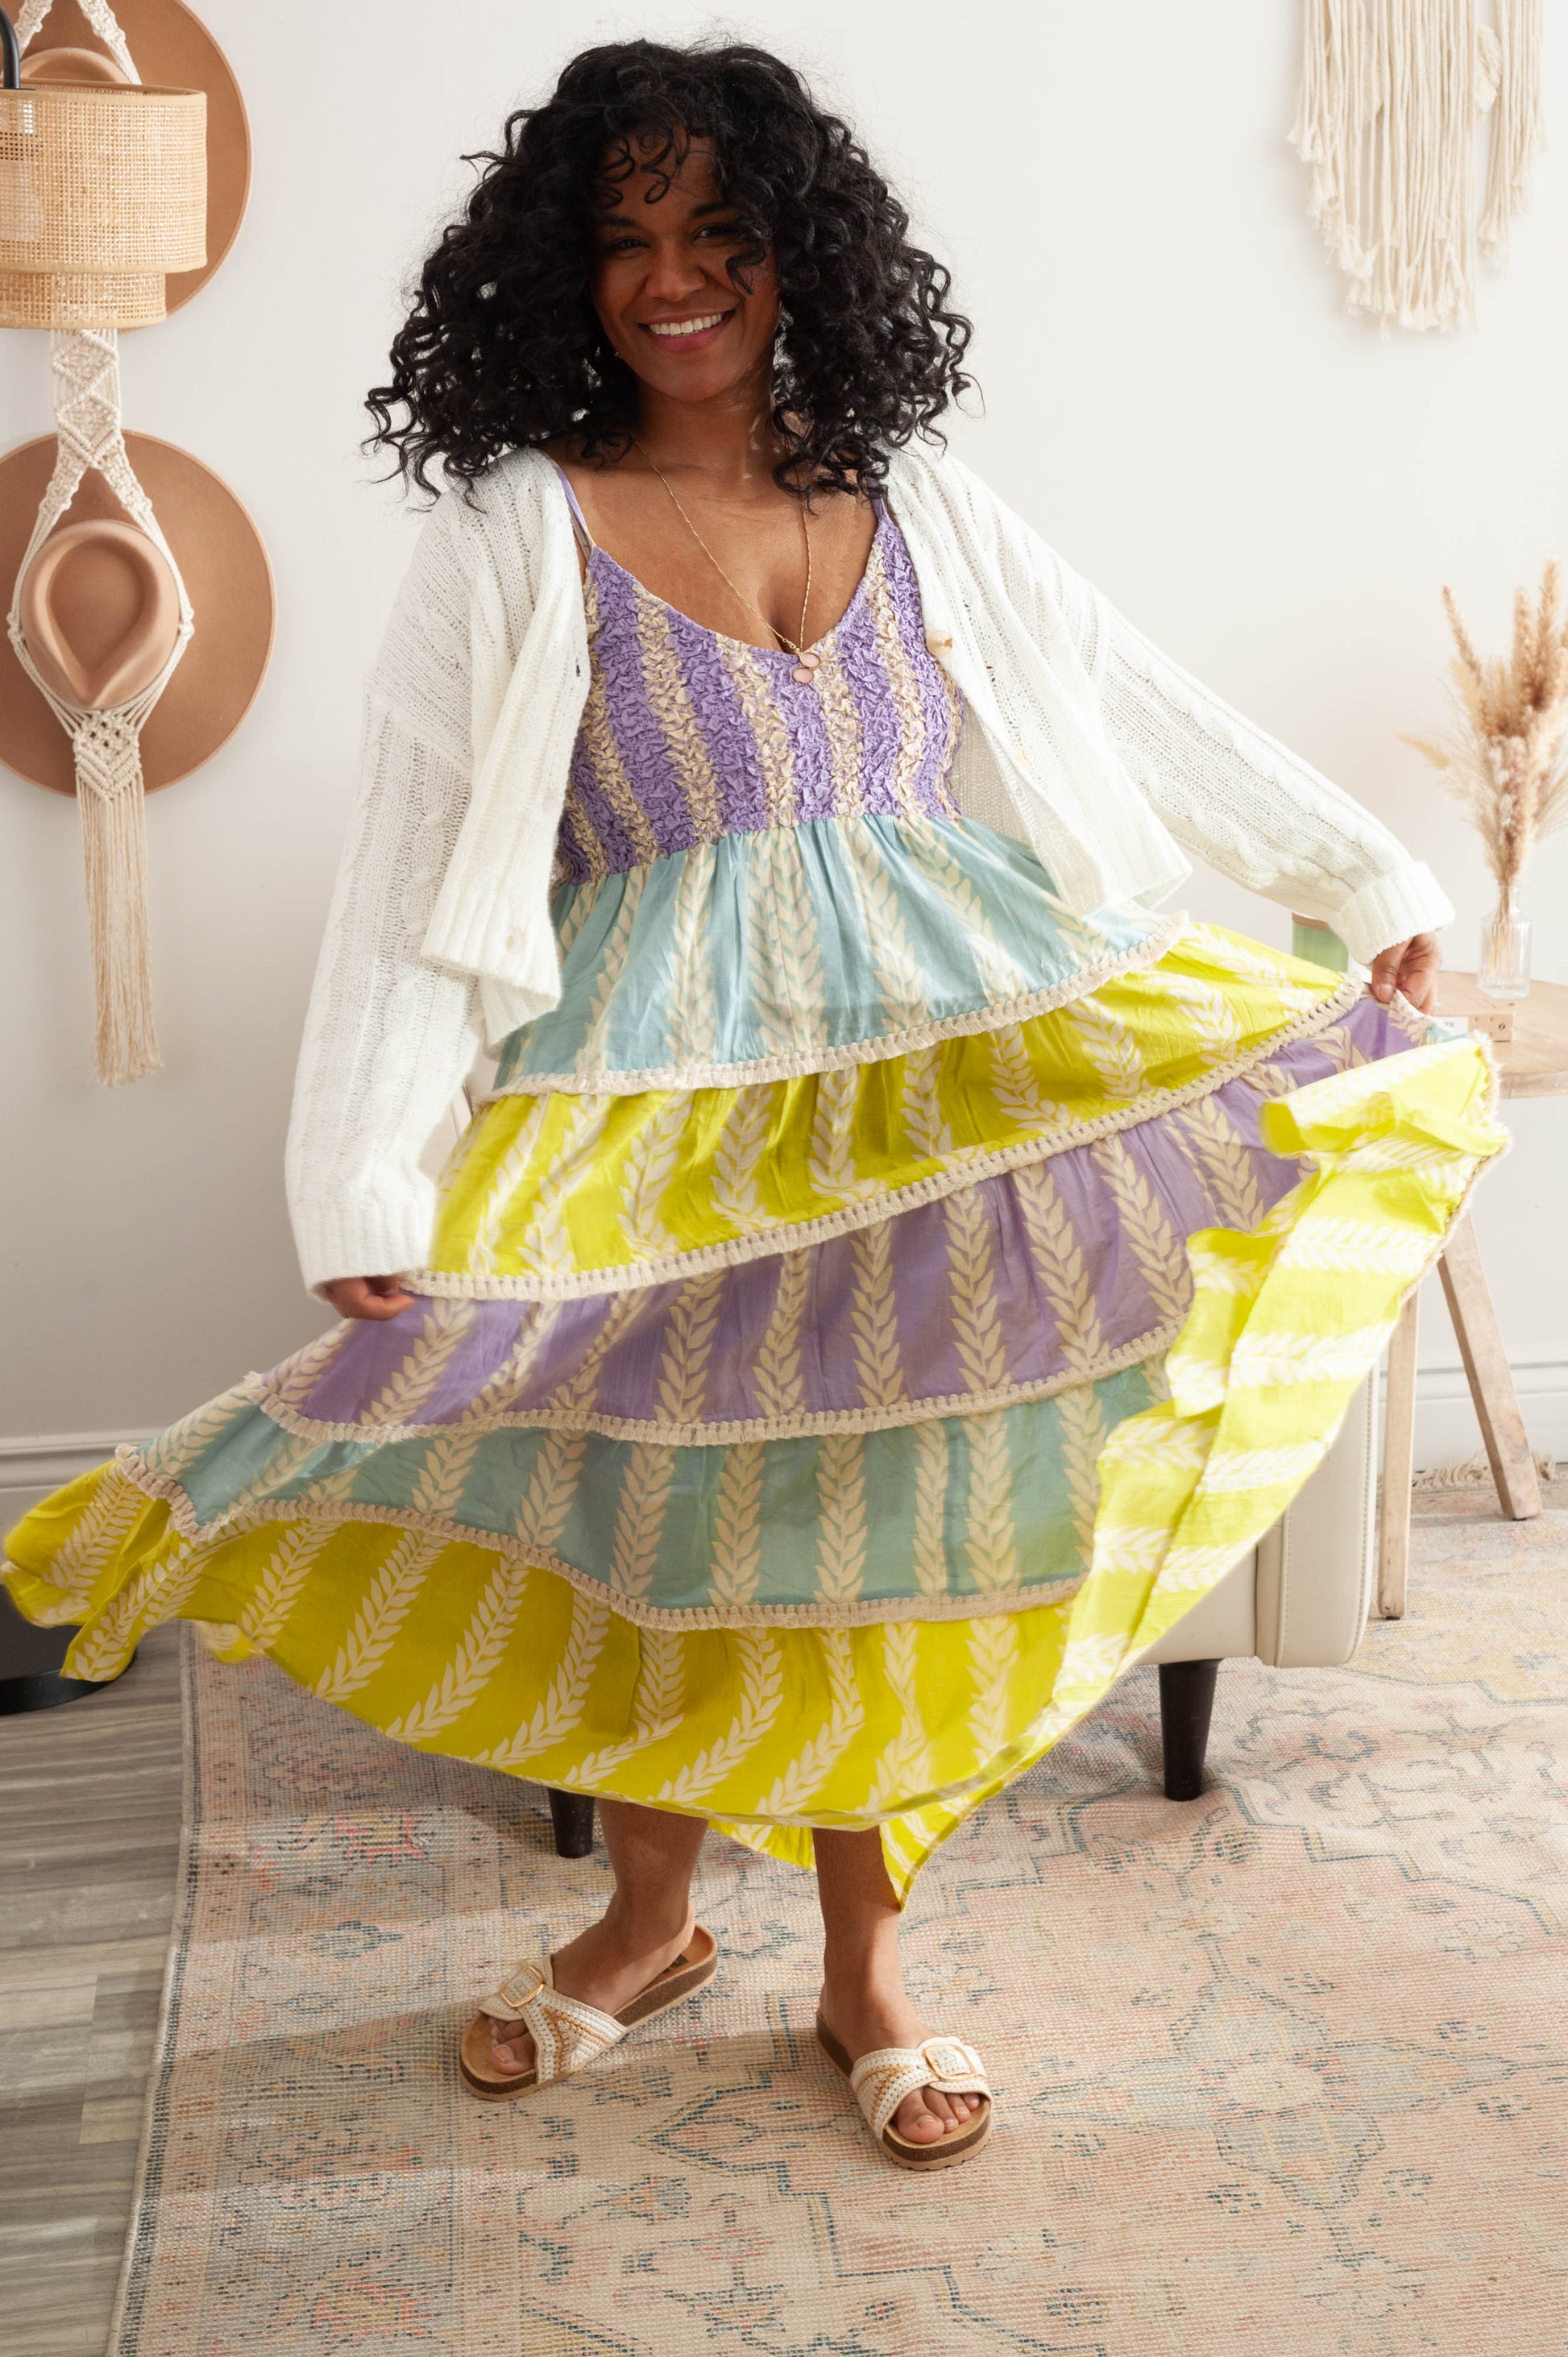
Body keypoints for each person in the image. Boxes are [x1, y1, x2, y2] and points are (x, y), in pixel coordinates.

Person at [6, 40, 1495, 2173]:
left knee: (897, 1521)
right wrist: (360, 1155)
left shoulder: (922, 495)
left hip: (945, 1060)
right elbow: (417, 870)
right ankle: (644, 1927)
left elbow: (1129, 693)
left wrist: (1364, 882)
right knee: (670, 1517)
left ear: (801, 251)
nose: (671, 277)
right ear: (559, 274)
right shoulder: (517, 533)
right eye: (622, 240)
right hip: (656, 1090)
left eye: (714, 230)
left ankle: (865, 1973)